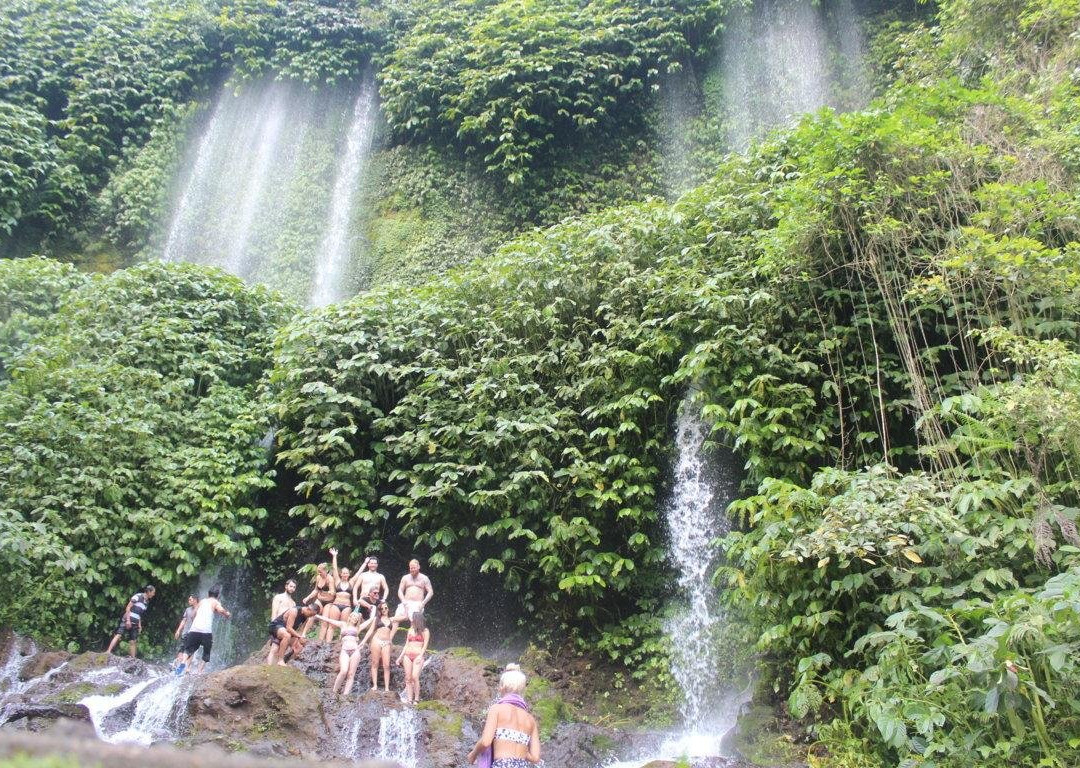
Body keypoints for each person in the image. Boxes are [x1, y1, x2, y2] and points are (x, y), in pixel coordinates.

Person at [467, 664, 542, 767]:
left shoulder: (496, 709)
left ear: (501, 688)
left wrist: (473, 754)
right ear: (522, 690)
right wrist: (521, 749)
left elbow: (485, 742)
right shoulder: (530, 720)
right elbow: (535, 757)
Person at [315, 611, 374, 698]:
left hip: (355, 651)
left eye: (357, 618)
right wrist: (317, 615)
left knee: (351, 674)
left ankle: (345, 695)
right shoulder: (343, 624)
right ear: (350, 617)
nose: (355, 618)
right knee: (343, 671)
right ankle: (334, 691)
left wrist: (374, 609)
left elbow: (370, 619)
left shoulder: (358, 627)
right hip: (345, 650)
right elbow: (329, 620)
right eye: (354, 616)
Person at [176, 585, 231, 675]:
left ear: (208, 593)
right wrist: (227, 614)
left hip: (194, 630)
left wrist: (195, 623)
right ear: (217, 595)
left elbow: (193, 614)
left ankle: (183, 663)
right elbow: (221, 610)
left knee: (189, 649)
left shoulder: (202, 601)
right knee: (206, 651)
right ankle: (199, 671)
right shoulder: (215, 602)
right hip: (206, 631)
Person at [106, 585, 155, 657]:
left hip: (135, 622)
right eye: (153, 593)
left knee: (133, 641)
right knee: (118, 635)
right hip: (127, 619)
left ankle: (133, 659)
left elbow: (139, 614)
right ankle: (108, 651)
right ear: (148, 592)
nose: (153, 595)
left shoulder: (146, 602)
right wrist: (128, 620)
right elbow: (128, 607)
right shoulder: (138, 596)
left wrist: (139, 625)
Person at [267, 601, 321, 666]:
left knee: (299, 648)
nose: (310, 617)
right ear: (308, 609)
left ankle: (288, 662)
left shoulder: (305, 617)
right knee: (286, 636)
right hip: (276, 626)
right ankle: (280, 660)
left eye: (312, 616)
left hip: (286, 630)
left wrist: (300, 639)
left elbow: (300, 630)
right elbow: (289, 628)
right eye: (311, 615)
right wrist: (299, 637)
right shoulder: (294, 611)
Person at [396, 611, 429, 705]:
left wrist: (420, 656)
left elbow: (425, 645)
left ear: (417, 619)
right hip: (407, 655)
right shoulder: (410, 630)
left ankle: (417, 699)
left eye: (412, 618)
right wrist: (400, 657)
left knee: (415, 676)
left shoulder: (425, 631)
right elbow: (406, 645)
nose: (411, 620)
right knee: (408, 678)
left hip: (418, 655)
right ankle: (410, 699)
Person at [322, 548, 354, 642]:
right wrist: (334, 556)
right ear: (341, 574)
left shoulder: (351, 582)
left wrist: (365, 563)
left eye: (346, 573)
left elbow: (359, 572)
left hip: (347, 606)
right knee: (332, 625)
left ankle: (341, 645)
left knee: (343, 626)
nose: (345, 574)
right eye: (343, 573)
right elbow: (335, 568)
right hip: (336, 604)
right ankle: (327, 644)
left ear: (349, 574)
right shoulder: (337, 581)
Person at [365, 601, 398, 691]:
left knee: (386, 665)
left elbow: (404, 617)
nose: (384, 610)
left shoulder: (392, 620)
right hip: (377, 640)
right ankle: (375, 685)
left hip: (386, 642)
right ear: (379, 610)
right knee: (375, 663)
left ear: (388, 608)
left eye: (385, 608)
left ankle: (387, 687)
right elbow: (370, 631)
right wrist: (363, 641)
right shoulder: (377, 619)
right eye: (382, 608)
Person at [300, 561, 334, 637]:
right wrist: (308, 597)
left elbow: (333, 592)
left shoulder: (330, 579)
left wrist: (329, 592)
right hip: (319, 600)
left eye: (320, 572)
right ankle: (303, 634)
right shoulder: (318, 577)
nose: (319, 574)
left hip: (329, 602)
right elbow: (316, 590)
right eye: (318, 572)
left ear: (325, 571)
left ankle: (321, 640)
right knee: (311, 613)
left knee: (324, 620)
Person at [172, 595, 198, 664]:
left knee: (191, 650)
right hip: (185, 632)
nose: (188, 601)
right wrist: (178, 630)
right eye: (189, 599)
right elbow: (183, 621)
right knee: (182, 648)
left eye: (190, 600)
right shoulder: (188, 609)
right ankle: (177, 664)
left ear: (195, 600)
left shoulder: (199, 610)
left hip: (194, 633)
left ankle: (187, 667)